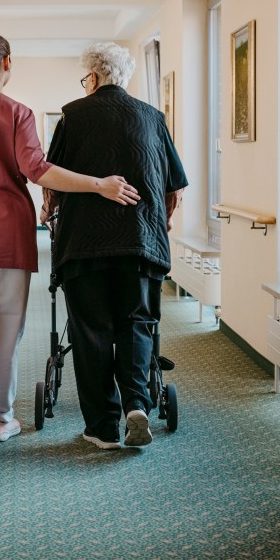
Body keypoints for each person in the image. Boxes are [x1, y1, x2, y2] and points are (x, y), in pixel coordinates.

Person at [0, 31, 141, 458]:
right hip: (7, 236)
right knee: (5, 334)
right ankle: (0, 420)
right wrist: (98, 185)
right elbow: (38, 171)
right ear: (7, 65)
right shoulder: (17, 113)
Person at [41, 42, 187, 450]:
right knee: (137, 323)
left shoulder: (71, 116)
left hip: (84, 245)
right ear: (123, 77)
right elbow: (175, 188)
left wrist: (47, 211)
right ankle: (136, 405)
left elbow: (50, 178)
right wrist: (163, 220)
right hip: (140, 243)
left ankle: (102, 428)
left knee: (91, 332)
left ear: (92, 77)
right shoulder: (153, 118)